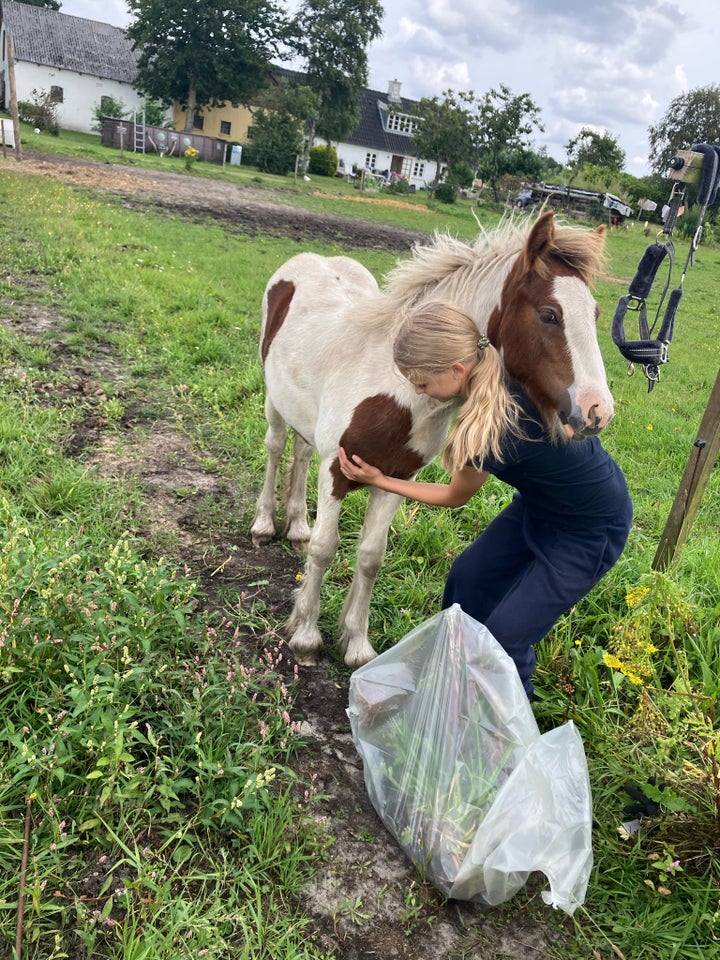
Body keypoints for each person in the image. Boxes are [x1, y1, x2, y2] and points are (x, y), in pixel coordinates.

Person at [338, 301, 633, 698]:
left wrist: (381, 479)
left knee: (506, 641)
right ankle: (455, 683)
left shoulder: (494, 427)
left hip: (590, 530)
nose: (417, 390)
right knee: (467, 579)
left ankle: (508, 741)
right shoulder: (496, 365)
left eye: (422, 383)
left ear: (457, 371)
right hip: (540, 507)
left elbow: (452, 496)